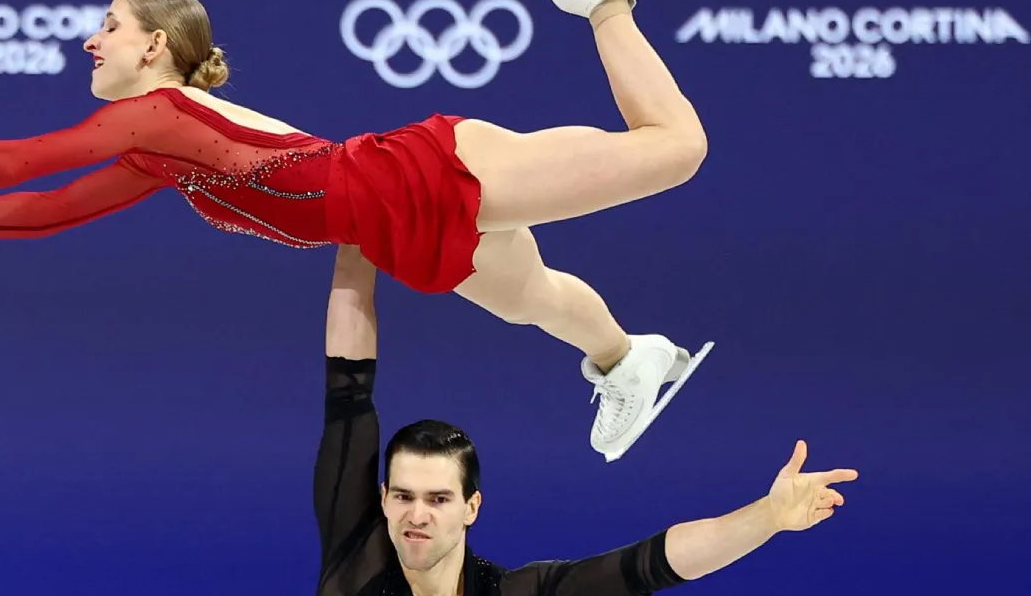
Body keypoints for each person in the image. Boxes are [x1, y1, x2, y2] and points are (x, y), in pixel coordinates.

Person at [0, 0, 709, 461]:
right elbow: (47, 209)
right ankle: (631, 363)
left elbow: (19, 158)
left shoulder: (154, 114)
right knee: (539, 298)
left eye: (106, 26)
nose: (87, 39)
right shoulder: (159, 150)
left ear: (153, 47)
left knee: (676, 152)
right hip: (390, 226)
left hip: (423, 177)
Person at [318, 244, 858, 596]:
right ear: (384, 498)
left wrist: (767, 516)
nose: (417, 514)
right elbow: (348, 389)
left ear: (470, 508)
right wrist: (357, 233)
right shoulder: (355, 560)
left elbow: (653, 563)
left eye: (438, 499)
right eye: (405, 496)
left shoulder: (519, 593)